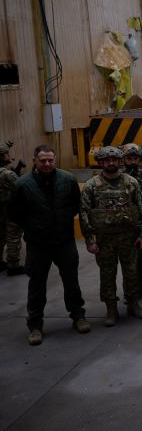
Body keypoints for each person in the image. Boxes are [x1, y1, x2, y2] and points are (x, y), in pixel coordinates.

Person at [8, 145, 88, 345]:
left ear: (55, 160)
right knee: (36, 285)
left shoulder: (67, 179)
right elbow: (14, 213)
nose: (47, 164)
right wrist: (33, 226)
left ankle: (78, 316)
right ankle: (35, 325)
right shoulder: (22, 184)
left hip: (64, 241)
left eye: (50, 160)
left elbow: (76, 205)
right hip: (38, 244)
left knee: (72, 282)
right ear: (34, 160)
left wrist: (64, 218)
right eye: (42, 160)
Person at [80, 146, 142, 326]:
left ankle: (133, 303)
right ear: (101, 163)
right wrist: (89, 240)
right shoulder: (92, 185)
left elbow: (140, 210)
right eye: (107, 160)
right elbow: (85, 213)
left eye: (114, 160)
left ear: (120, 162)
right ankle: (111, 308)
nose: (111, 163)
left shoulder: (131, 182)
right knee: (107, 274)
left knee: (132, 272)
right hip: (105, 239)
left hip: (129, 237)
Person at [121, 143, 142, 301]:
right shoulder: (118, 177)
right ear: (123, 159)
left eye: (135, 158)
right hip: (125, 226)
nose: (132, 161)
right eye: (129, 158)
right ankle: (130, 292)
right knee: (128, 263)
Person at [0, 141, 24, 276]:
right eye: (7, 153)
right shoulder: (7, 174)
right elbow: (21, 186)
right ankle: (13, 266)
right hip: (9, 210)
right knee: (13, 237)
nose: (9, 155)